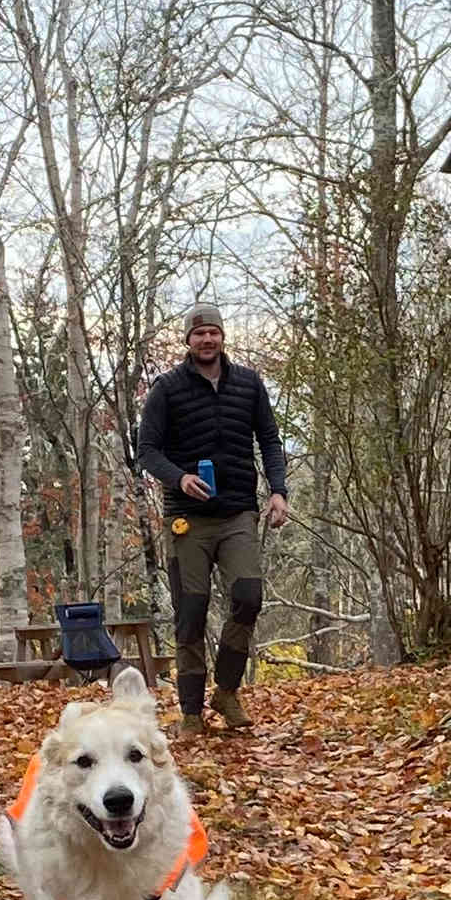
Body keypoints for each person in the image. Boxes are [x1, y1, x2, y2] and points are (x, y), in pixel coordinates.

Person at [135, 303, 290, 730]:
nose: (207, 339)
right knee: (191, 609)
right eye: (199, 333)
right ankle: (189, 712)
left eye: (213, 332)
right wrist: (179, 478)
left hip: (239, 511)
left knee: (248, 598)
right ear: (188, 340)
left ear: (223, 337)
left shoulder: (249, 384)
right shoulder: (167, 389)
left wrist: (278, 491)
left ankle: (226, 691)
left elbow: (271, 441)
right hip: (188, 519)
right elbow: (147, 450)